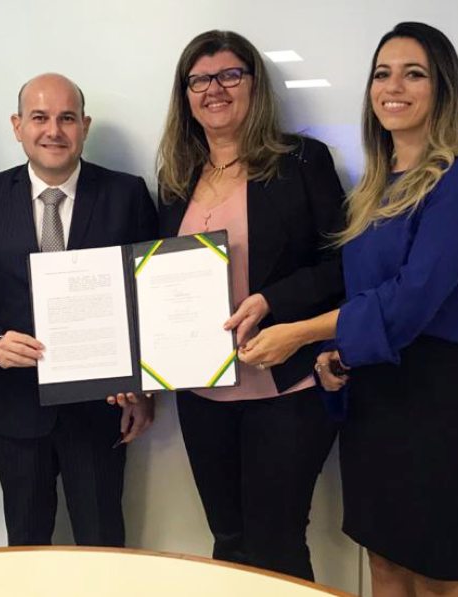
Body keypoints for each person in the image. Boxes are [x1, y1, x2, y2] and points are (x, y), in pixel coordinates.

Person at [240, 22, 458, 597]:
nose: (393, 87)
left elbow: (410, 299)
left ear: (443, 89)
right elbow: (364, 293)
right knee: (383, 565)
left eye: (414, 74)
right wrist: (337, 354)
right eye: (382, 74)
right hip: (375, 396)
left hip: (439, 399)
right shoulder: (372, 191)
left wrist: (299, 333)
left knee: (434, 579)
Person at [153, 30, 346, 580]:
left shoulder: (301, 160)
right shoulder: (176, 178)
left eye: (229, 75)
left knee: (276, 545)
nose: (214, 89)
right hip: (202, 392)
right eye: (199, 80)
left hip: (286, 389)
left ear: (255, 84)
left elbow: (343, 265)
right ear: (185, 95)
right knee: (229, 541)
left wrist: (271, 300)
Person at [0, 73, 157, 547]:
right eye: (39, 117)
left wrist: (145, 389)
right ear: (17, 125)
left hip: (102, 408)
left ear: (85, 125)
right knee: (26, 546)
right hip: (16, 406)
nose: (53, 131)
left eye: (67, 118)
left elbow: (150, 297)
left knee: (103, 546)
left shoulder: (126, 194)